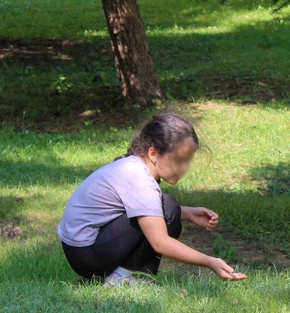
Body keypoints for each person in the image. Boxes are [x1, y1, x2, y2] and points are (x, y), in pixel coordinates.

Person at [58, 112, 248, 285]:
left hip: (83, 249)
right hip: (86, 255)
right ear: (153, 153)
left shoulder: (135, 167)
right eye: (179, 160)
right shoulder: (139, 179)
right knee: (168, 209)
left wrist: (188, 213)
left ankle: (120, 276)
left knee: (170, 208)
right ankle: (118, 279)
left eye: (187, 161)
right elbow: (160, 242)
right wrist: (209, 261)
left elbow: (148, 208)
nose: (184, 168)